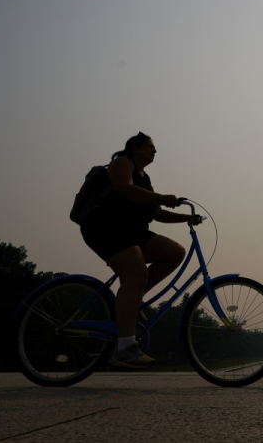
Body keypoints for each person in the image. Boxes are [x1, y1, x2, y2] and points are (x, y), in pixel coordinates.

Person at [80, 132, 195, 368]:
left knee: (175, 252)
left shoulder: (146, 177)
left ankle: (135, 298)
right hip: (106, 226)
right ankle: (124, 348)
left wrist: (189, 217)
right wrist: (161, 196)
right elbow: (123, 189)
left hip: (134, 233)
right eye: (150, 147)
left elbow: (157, 213)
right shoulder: (121, 163)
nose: (155, 151)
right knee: (137, 274)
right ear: (134, 148)